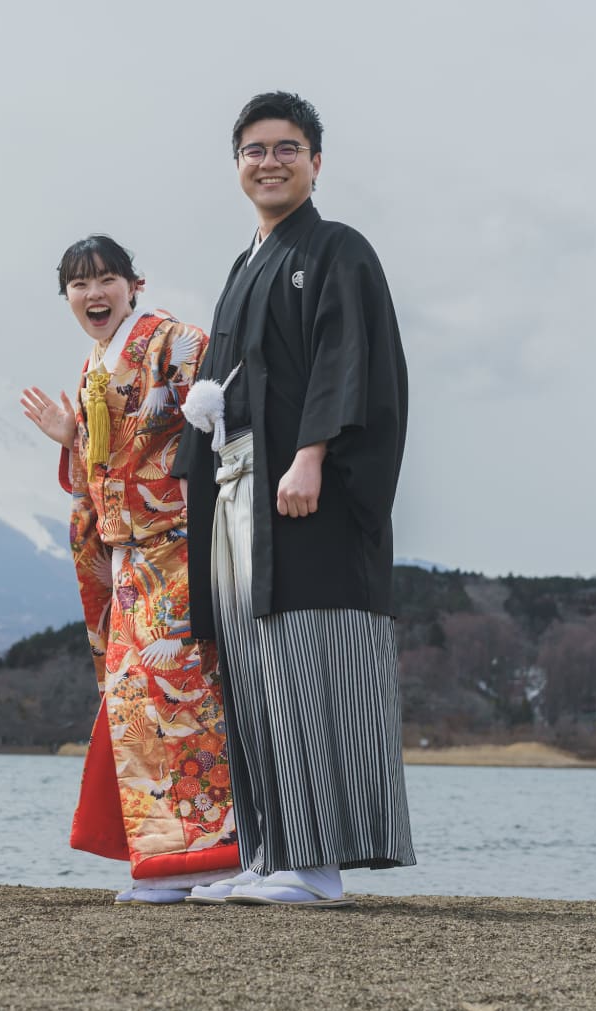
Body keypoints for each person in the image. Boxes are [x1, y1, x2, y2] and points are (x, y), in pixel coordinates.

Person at [173, 92, 415, 906]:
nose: (269, 162)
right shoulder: (245, 265)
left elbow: (349, 360)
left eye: (287, 148)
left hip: (304, 496)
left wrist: (312, 453)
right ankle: (268, 854)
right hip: (240, 491)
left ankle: (317, 868)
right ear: (235, 165)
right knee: (253, 666)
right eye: (253, 150)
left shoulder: (337, 249)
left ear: (316, 161)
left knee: (308, 662)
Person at [21, 235, 239, 904]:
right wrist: (73, 438)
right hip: (131, 555)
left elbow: (217, 406)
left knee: (174, 696)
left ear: (134, 284)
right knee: (135, 703)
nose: (94, 293)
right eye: (79, 284)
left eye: (107, 278)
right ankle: (168, 863)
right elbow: (105, 465)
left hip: (172, 542)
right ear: (66, 298)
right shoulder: (95, 365)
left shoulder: (172, 341)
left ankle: (203, 860)